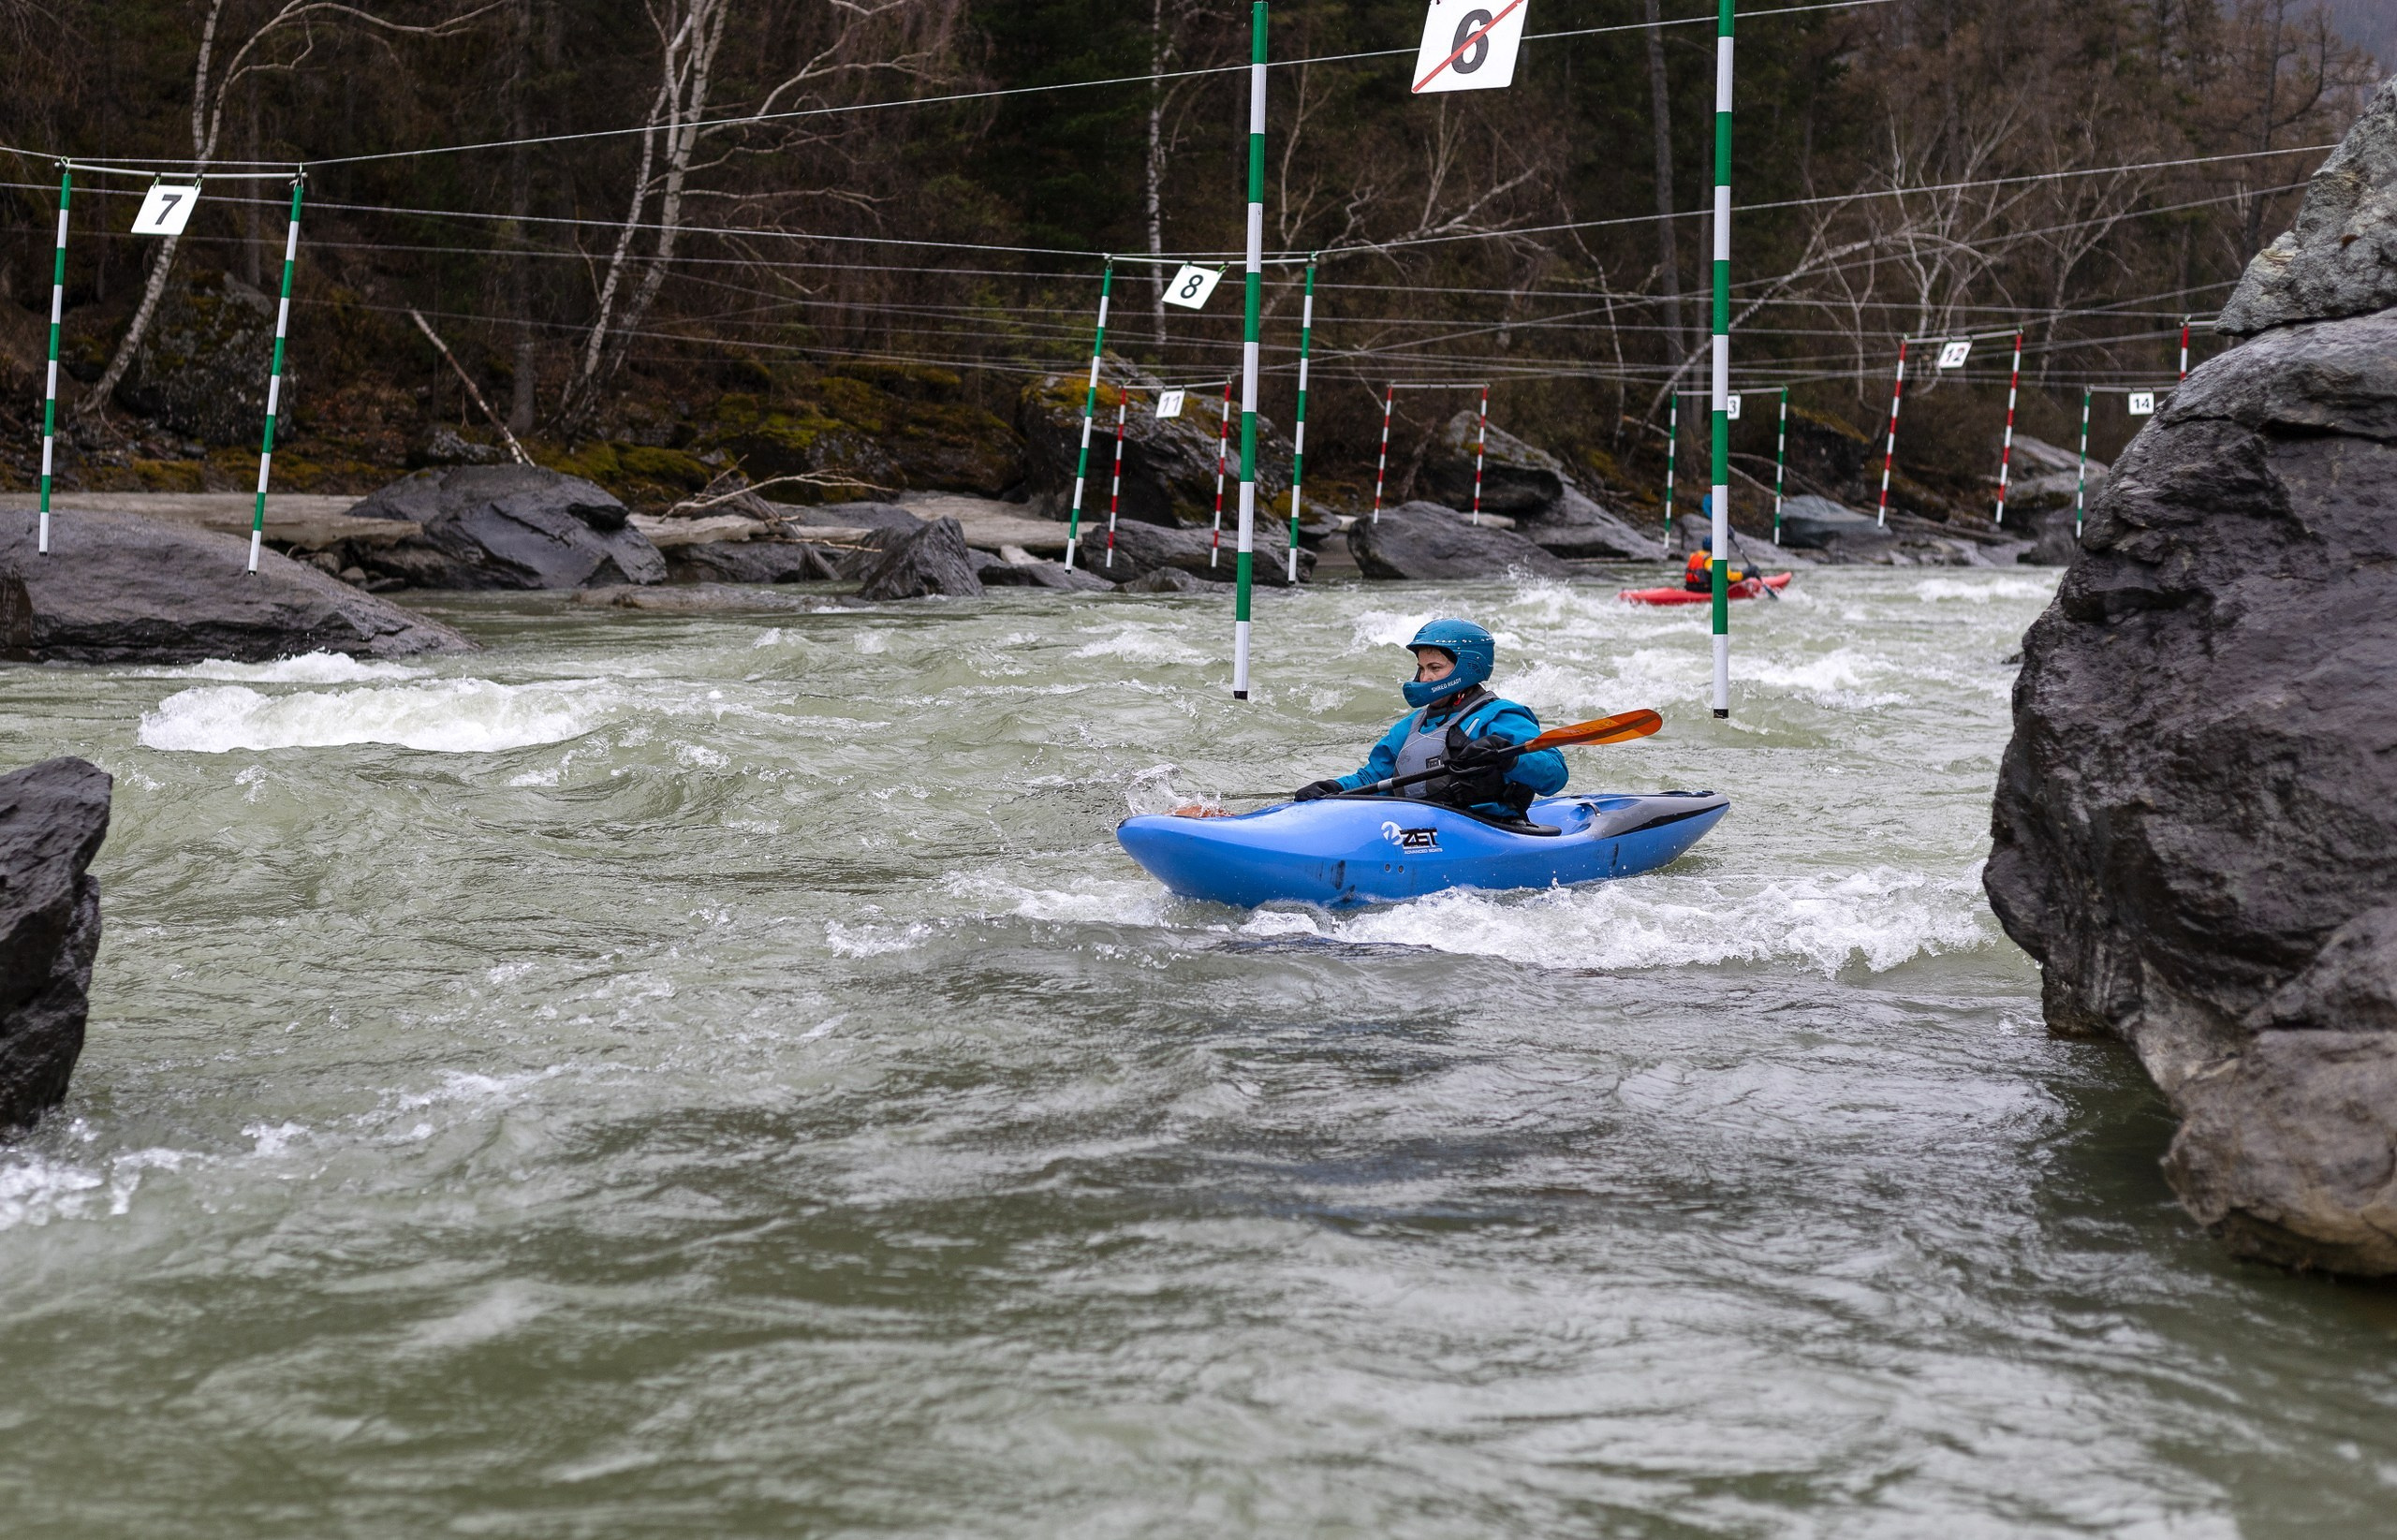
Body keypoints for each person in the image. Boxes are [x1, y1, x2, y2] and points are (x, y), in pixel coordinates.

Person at [1292, 619, 1566, 820]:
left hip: (1490, 828)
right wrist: (1335, 789)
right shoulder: (1412, 726)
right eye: (1422, 668)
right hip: (1423, 830)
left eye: (1435, 668)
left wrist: (1509, 757)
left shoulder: (1499, 716)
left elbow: (1554, 774)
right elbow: (1374, 778)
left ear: (1467, 668)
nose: (1425, 678)